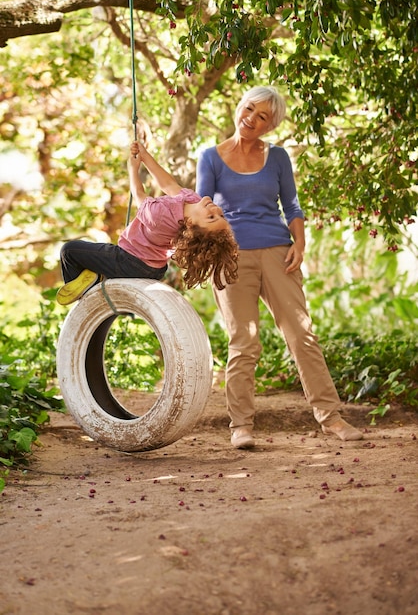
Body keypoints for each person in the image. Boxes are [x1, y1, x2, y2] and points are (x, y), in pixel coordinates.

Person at [196, 85, 363, 448]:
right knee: (244, 341)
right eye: (249, 109)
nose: (251, 119)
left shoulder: (278, 158)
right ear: (240, 106)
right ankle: (241, 425)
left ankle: (330, 417)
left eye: (262, 117)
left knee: (302, 335)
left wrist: (300, 243)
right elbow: (200, 208)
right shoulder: (210, 157)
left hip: (278, 253)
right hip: (232, 258)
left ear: (270, 126)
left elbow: (292, 205)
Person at [56, 141, 239, 305]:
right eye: (221, 216)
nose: (216, 210)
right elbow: (168, 184)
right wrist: (144, 156)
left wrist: (132, 169)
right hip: (155, 269)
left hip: (132, 262)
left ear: (191, 225)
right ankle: (99, 278)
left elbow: (139, 195)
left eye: (211, 218)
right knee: (93, 257)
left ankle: (87, 300)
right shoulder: (192, 200)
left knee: (69, 251)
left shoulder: (161, 217)